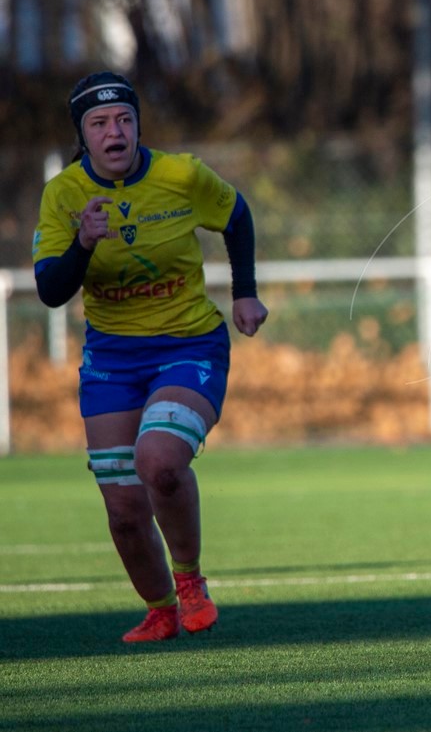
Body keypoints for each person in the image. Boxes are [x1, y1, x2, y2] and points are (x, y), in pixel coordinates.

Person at [33, 71, 268, 642]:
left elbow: (236, 217)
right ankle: (161, 608)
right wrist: (83, 243)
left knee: (159, 462)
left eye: (124, 120)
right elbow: (50, 289)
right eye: (99, 123)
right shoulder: (63, 195)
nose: (114, 131)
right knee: (124, 513)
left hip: (189, 345)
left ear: (137, 125)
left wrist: (244, 293)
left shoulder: (181, 175)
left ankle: (189, 583)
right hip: (112, 361)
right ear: (83, 136)